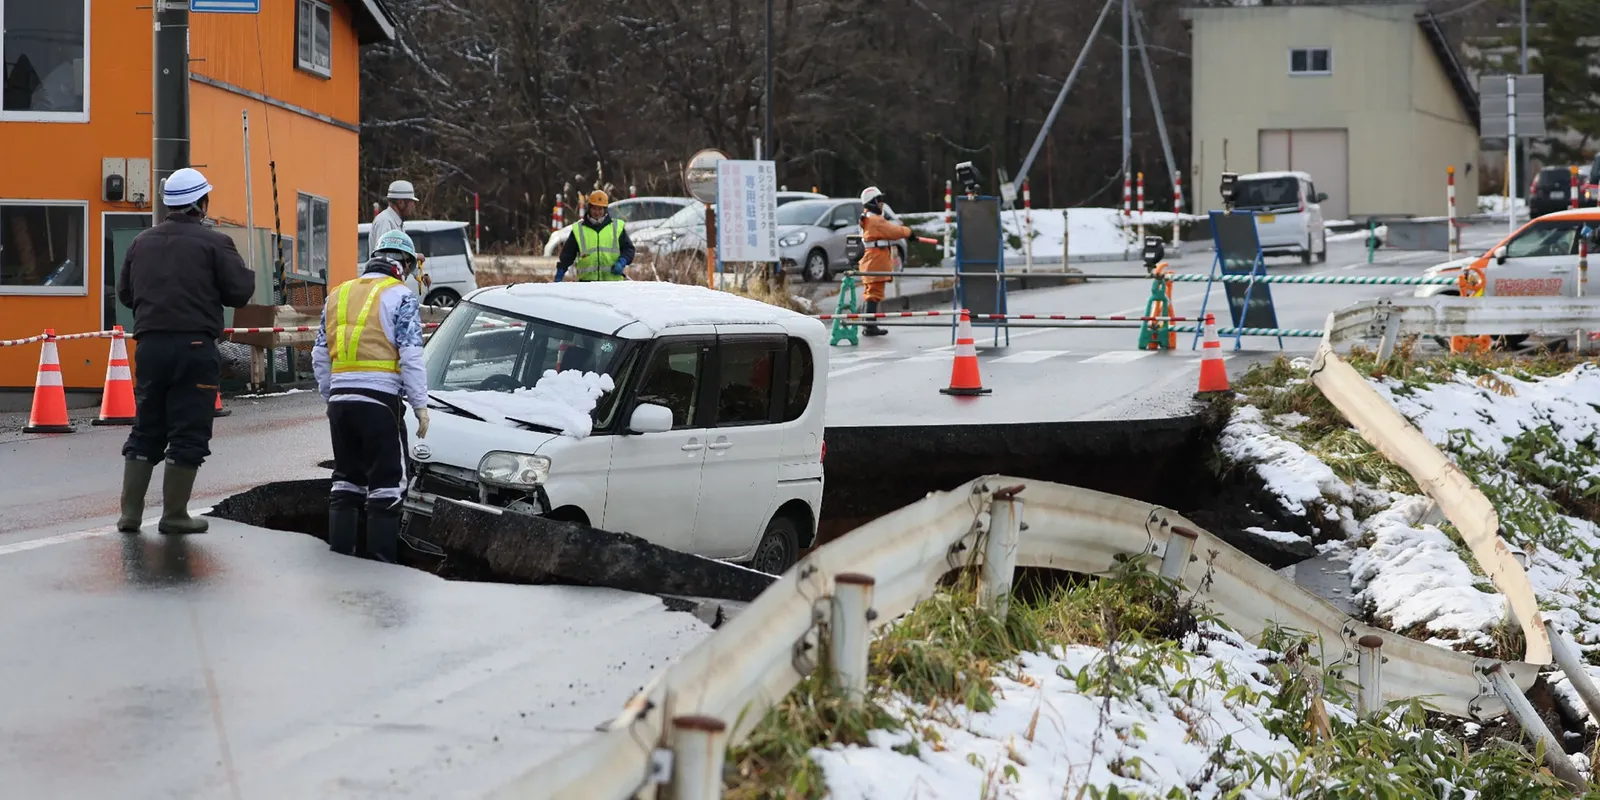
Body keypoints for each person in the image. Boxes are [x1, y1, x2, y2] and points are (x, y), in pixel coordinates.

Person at [115, 167, 257, 534]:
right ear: (200, 204)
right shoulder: (215, 243)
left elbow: (126, 294)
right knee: (189, 429)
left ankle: (130, 515)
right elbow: (239, 293)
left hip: (150, 346)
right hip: (195, 347)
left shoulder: (141, 242)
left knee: (147, 427)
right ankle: (174, 514)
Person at [312, 229, 430, 564]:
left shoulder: (338, 294)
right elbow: (411, 355)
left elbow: (320, 355)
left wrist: (332, 395)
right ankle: (381, 565)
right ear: (403, 264)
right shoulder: (401, 296)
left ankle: (341, 558)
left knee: (346, 479)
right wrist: (420, 405)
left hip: (340, 402)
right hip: (380, 400)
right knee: (388, 484)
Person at [857, 186, 912, 336]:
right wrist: (908, 232)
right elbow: (893, 231)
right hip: (875, 260)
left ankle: (868, 324)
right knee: (874, 293)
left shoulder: (867, 218)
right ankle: (870, 326)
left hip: (871, 260)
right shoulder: (875, 220)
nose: (882, 203)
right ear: (872, 202)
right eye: (879, 200)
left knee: (870, 292)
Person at [554, 190, 634, 282]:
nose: (597, 212)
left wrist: (622, 262)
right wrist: (561, 271)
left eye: (600, 209)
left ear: (605, 210)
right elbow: (568, 254)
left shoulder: (616, 227)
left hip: (612, 283)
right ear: (589, 208)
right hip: (587, 283)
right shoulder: (579, 229)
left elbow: (629, 249)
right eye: (594, 208)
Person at [372, 179, 428, 294]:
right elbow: (386, 254)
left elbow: (402, 254)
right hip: (384, 286)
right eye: (411, 202)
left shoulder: (396, 222)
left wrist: (420, 274)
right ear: (401, 202)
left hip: (390, 283)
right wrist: (416, 256)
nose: (413, 205)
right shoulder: (385, 221)